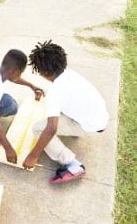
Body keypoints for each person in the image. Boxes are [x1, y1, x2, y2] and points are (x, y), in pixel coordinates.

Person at [22, 40, 109, 184]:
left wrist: (33, 156)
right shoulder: (70, 74)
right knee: (55, 114)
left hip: (87, 125)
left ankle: (73, 165)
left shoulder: (54, 93)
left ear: (44, 73)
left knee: (38, 129)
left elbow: (51, 129)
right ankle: (76, 131)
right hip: (99, 119)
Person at [0, 49, 44, 163]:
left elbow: (15, 79)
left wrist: (31, 86)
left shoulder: (0, 71)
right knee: (8, 106)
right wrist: (8, 149)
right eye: (20, 72)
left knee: (11, 104)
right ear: (15, 70)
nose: (20, 75)